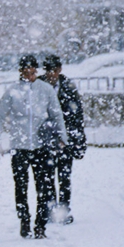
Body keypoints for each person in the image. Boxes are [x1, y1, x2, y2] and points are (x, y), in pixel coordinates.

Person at [0, 55, 67, 239]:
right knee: (21, 186)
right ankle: (24, 219)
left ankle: (40, 224)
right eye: (26, 72)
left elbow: (57, 115)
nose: (29, 75)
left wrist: (62, 137)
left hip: (41, 145)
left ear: (36, 71)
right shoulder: (12, 91)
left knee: (44, 187)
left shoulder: (46, 89)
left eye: (33, 72)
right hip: (19, 145)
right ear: (20, 71)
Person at [38, 54, 87, 224]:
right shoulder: (38, 87)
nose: (52, 74)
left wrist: (77, 139)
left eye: (54, 70)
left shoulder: (68, 87)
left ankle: (63, 210)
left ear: (59, 70)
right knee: (47, 177)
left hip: (66, 142)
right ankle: (52, 210)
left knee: (64, 177)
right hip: (46, 142)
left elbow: (77, 115)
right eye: (49, 70)